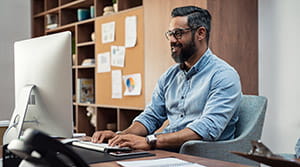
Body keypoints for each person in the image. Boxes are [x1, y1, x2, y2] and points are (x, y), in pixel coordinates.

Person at [91, 6, 242, 151]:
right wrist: (121, 136)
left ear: (201, 33)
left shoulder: (224, 75)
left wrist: (151, 141)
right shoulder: (170, 76)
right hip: (167, 151)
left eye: (178, 33)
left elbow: (208, 128)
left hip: (204, 157)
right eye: (170, 34)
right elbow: (151, 116)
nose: (171, 40)